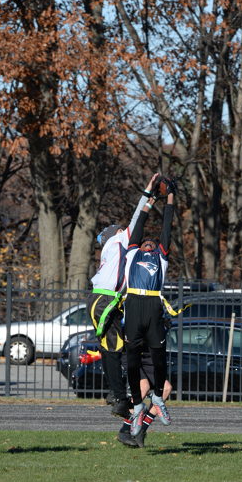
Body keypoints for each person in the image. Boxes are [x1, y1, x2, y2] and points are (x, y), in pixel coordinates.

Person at [87, 173, 162, 421]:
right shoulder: (119, 240)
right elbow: (138, 215)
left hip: (104, 300)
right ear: (117, 233)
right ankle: (119, 398)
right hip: (104, 300)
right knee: (112, 348)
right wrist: (148, 193)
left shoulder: (114, 249)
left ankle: (116, 395)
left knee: (113, 347)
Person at [123, 179, 176, 437]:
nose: (149, 244)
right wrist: (150, 200)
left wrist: (171, 197)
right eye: (145, 242)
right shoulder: (132, 252)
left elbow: (167, 226)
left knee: (159, 357)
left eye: (152, 243)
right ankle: (136, 406)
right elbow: (139, 224)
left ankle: (157, 398)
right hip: (133, 303)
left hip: (153, 304)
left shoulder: (161, 256)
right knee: (132, 361)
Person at [118, 345, 172, 448]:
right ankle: (125, 430)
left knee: (166, 388)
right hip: (132, 353)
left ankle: (142, 430)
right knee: (144, 387)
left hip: (149, 356)